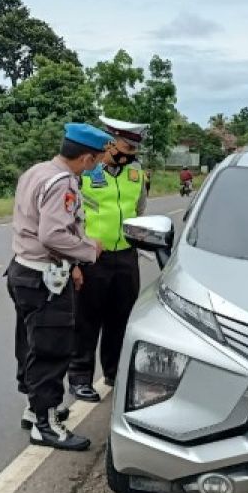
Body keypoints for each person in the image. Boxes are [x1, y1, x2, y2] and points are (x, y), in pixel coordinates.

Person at [8, 123, 108, 449]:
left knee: (31, 345)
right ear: (87, 158)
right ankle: (46, 426)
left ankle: (33, 408)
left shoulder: (37, 171)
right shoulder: (63, 182)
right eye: (97, 159)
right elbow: (52, 234)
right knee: (51, 351)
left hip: (23, 270)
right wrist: (88, 251)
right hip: (44, 279)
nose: (97, 165)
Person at [67, 117, 149, 402]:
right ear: (110, 142)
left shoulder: (137, 173)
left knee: (121, 319)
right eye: (127, 146)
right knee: (86, 321)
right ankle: (79, 378)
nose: (131, 154)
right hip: (91, 258)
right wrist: (75, 259)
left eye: (135, 149)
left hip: (126, 256)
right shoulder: (85, 171)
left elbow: (140, 211)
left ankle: (114, 372)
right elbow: (70, 218)